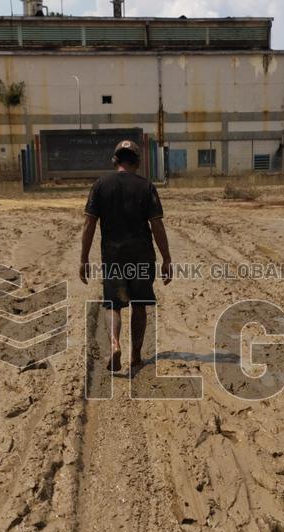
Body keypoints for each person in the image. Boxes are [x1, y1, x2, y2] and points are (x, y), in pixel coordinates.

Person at [79, 139, 172, 372]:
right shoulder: (146, 186)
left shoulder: (101, 185)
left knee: (113, 305)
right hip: (142, 257)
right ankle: (136, 357)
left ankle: (114, 344)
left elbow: (89, 224)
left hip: (113, 257)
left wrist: (84, 259)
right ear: (138, 162)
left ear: (115, 160)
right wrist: (167, 259)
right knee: (139, 306)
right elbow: (157, 225)